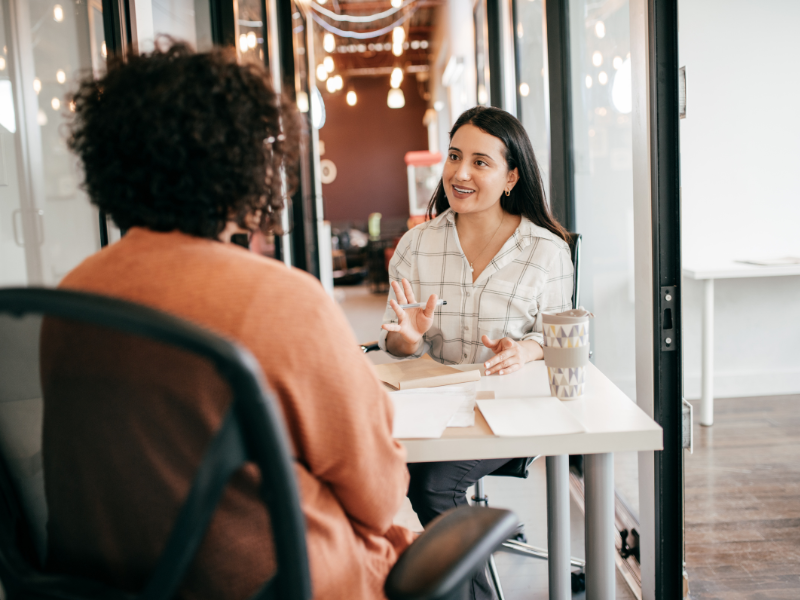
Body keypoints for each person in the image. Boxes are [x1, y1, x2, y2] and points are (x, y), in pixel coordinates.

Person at [40, 42, 414, 600]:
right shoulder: (282, 300)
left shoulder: (73, 297)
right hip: (274, 581)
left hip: (115, 584)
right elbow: (379, 493)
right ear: (240, 164)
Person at [378, 105, 574, 600]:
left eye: (480, 162)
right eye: (454, 156)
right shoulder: (417, 245)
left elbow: (559, 335)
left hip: (504, 411)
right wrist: (408, 336)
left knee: (431, 487)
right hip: (432, 407)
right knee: (393, 475)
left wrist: (526, 350)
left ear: (511, 176)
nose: (459, 174)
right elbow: (395, 343)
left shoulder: (546, 250)